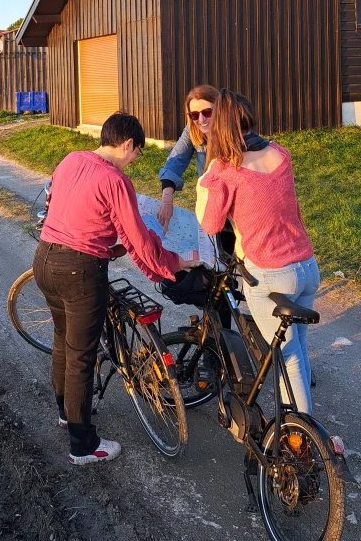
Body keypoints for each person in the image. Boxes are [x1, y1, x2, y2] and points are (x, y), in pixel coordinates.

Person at [33, 112, 192, 466]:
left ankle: (65, 412)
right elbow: (140, 242)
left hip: (44, 258)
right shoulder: (116, 181)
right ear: (127, 144)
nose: (134, 161)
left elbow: (57, 203)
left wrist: (108, 243)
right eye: (136, 153)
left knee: (63, 340)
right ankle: (83, 445)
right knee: (80, 356)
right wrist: (174, 264)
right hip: (80, 272)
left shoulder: (72, 159)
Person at [196, 90, 319, 414]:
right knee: (299, 350)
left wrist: (208, 176)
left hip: (271, 273)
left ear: (220, 126)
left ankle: (301, 438)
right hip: (306, 266)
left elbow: (209, 224)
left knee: (286, 359)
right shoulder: (280, 153)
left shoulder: (225, 170)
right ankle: (305, 428)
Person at [156, 85, 219, 235]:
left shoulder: (236, 131)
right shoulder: (192, 129)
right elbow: (174, 162)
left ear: (220, 108)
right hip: (210, 204)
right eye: (194, 115)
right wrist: (166, 199)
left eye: (207, 112)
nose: (201, 120)